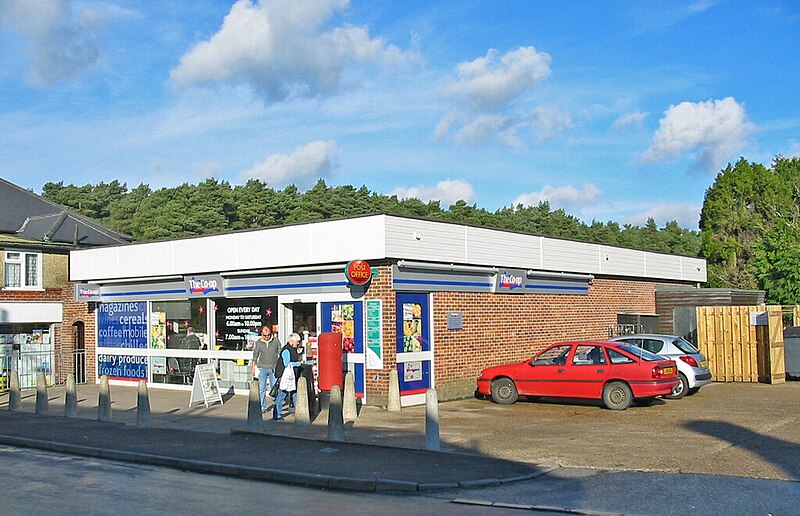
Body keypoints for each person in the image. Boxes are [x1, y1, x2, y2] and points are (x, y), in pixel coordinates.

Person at [273, 333, 307, 421]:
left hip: (291, 376)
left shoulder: (293, 349)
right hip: (285, 376)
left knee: (294, 393)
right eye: (297, 341)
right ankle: (278, 414)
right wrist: (298, 364)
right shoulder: (286, 350)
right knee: (282, 394)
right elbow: (287, 363)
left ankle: (298, 412)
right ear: (292, 341)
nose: (298, 343)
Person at [251, 325, 281, 413]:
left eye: (268, 334)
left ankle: (277, 405)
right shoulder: (259, 342)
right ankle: (263, 406)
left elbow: (280, 352)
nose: (267, 337)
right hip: (262, 368)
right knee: (262, 388)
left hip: (273, 368)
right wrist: (253, 367)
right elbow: (255, 355)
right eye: (265, 335)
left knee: (274, 388)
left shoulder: (275, 341)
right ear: (261, 334)